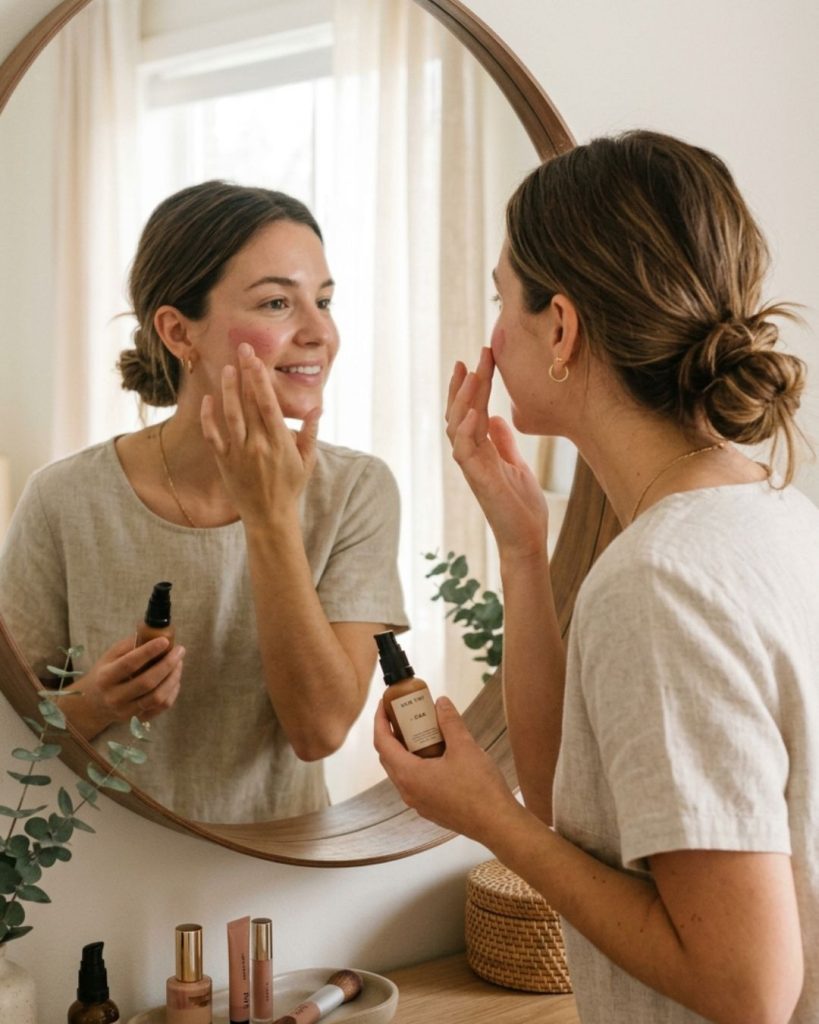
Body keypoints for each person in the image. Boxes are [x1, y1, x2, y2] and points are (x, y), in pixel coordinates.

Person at [374, 130, 818, 1023]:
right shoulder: (775, 512)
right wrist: (521, 550)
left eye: (500, 299)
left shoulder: (659, 581)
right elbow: (574, 802)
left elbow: (745, 989)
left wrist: (487, 818)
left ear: (562, 327)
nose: (493, 336)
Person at [0, 181, 408, 824]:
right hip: (104, 863)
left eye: (324, 301)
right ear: (178, 331)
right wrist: (97, 704)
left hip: (279, 867)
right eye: (277, 302)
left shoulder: (357, 490)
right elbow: (12, 728)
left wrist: (271, 517)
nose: (319, 332)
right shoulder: (64, 498)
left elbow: (319, 730)